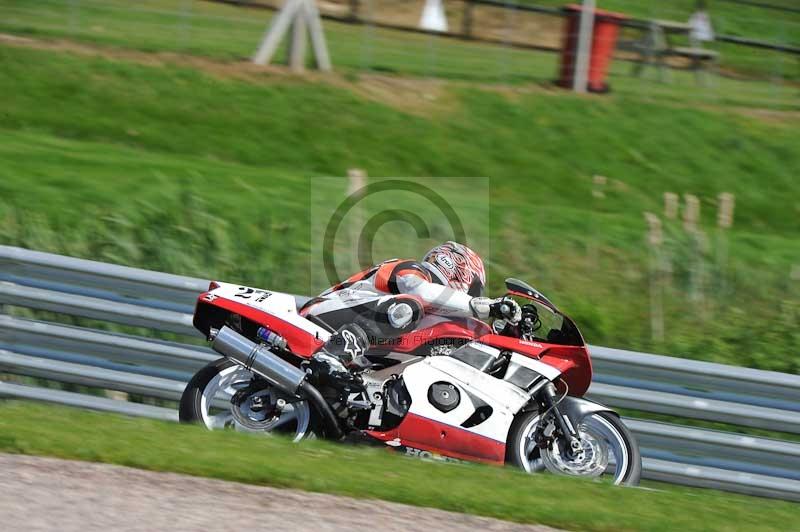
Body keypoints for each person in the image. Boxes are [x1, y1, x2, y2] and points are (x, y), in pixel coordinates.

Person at [301, 241, 521, 366]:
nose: (471, 295)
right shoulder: (412, 270)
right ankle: (331, 356)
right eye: (473, 289)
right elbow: (422, 292)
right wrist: (483, 305)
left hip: (347, 326)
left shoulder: (430, 305)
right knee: (410, 307)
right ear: (459, 272)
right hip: (322, 314)